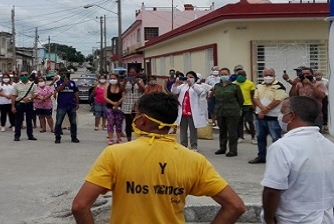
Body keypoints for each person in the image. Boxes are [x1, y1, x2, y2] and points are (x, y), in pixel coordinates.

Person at [71, 92, 246, 224]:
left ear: (143, 121)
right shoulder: (195, 160)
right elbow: (235, 206)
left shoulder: (115, 154)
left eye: (136, 113)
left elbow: (80, 206)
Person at [261, 96, 334, 224]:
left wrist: (268, 219)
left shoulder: (282, 147)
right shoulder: (332, 148)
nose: (280, 117)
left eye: (282, 112)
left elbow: (272, 190)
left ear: (291, 115)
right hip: (325, 218)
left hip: (294, 219)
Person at [249, 68, 288, 164]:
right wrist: (262, 110)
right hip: (260, 117)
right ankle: (261, 156)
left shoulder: (280, 86)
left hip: (273, 118)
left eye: (270, 75)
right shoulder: (259, 86)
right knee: (260, 138)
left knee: (276, 139)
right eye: (266, 75)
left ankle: (278, 159)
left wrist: (264, 111)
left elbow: (278, 100)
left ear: (274, 76)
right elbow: (255, 98)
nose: (268, 77)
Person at [212, 68, 243, 157]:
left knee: (232, 131)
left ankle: (233, 150)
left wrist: (238, 109)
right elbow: (215, 98)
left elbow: (240, 100)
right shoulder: (217, 86)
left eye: (225, 74)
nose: (223, 76)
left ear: (229, 75)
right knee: (222, 131)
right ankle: (222, 148)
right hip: (220, 111)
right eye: (222, 74)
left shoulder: (235, 86)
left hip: (232, 112)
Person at [171, 71, 206, 151]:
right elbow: (174, 91)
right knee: (183, 130)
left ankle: (194, 146)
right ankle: (183, 145)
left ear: (195, 78)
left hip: (192, 112)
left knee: (193, 130)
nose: (189, 79)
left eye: (191, 77)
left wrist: (192, 85)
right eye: (187, 77)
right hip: (183, 111)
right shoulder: (183, 86)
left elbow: (200, 92)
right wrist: (176, 83)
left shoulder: (197, 86)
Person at [53, 68, 80, 144]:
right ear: (60, 74)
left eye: (65, 73)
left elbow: (76, 92)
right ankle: (57, 137)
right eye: (62, 73)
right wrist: (64, 83)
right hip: (62, 105)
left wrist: (77, 102)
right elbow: (58, 90)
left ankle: (74, 137)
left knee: (73, 122)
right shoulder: (57, 82)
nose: (64, 75)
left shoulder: (72, 83)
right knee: (59, 122)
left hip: (71, 105)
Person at [11, 71, 38, 141]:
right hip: (20, 104)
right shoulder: (16, 85)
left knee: (29, 120)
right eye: (22, 75)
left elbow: (35, 94)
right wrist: (13, 106)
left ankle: (30, 135)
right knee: (18, 120)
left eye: (26, 75)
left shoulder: (33, 85)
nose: (24, 76)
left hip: (29, 104)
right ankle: (17, 135)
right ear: (20, 76)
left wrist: (30, 98)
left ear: (28, 76)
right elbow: (13, 96)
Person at [235, 69, 256, 144]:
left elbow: (252, 95)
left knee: (250, 121)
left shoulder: (250, 83)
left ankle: (253, 137)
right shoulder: (234, 83)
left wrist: (253, 104)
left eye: (242, 75)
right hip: (238, 105)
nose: (240, 77)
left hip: (248, 105)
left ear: (245, 76)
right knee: (239, 122)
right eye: (239, 75)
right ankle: (241, 137)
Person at [122, 73, 144, 142]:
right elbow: (121, 90)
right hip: (127, 104)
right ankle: (129, 139)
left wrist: (137, 82)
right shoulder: (126, 81)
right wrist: (125, 81)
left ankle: (139, 139)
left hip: (137, 104)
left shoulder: (140, 81)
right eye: (130, 74)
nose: (132, 76)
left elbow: (143, 90)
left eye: (133, 73)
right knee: (128, 123)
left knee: (138, 123)